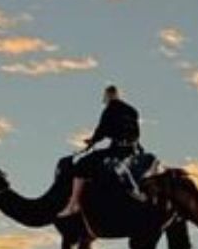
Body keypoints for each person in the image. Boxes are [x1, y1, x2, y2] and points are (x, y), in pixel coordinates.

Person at [59, 85, 141, 217]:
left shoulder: (110, 110)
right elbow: (136, 133)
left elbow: (101, 130)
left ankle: (73, 204)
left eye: (105, 97)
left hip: (117, 151)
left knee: (81, 165)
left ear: (107, 96)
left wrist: (91, 142)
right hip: (132, 150)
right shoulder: (132, 110)